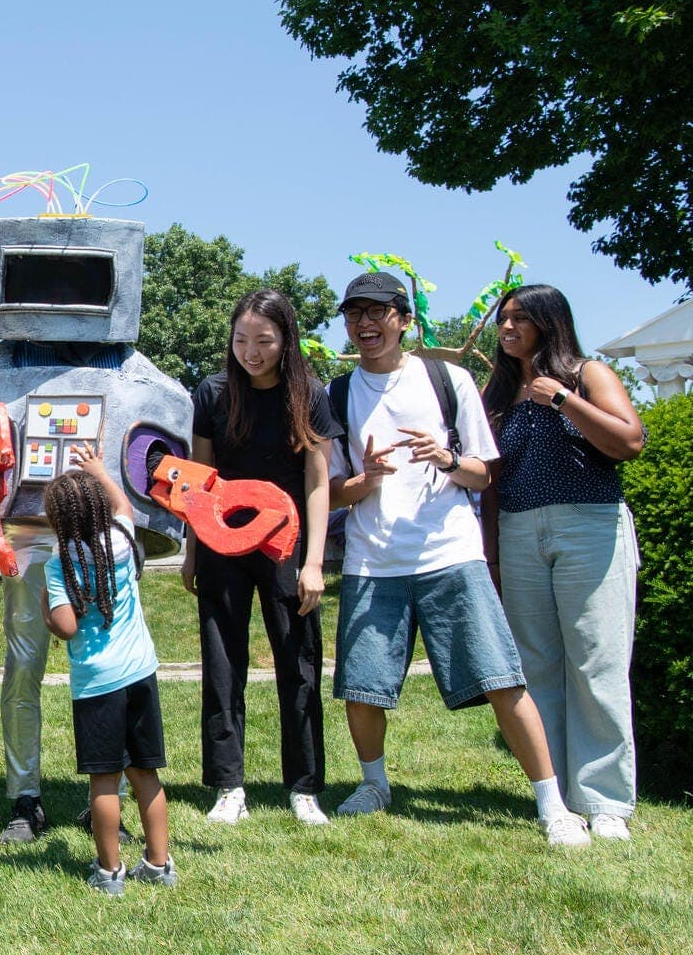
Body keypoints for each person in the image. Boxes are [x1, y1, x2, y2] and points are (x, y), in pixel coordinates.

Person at [326, 270, 589, 845]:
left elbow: (483, 471)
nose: (365, 324)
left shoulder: (449, 379)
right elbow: (332, 490)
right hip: (374, 560)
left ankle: (552, 803)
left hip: (450, 552)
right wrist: (364, 480)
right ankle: (374, 783)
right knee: (362, 685)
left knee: (501, 677)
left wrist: (445, 458)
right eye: (355, 314)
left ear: (404, 318)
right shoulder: (336, 395)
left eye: (378, 312)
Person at [481, 284, 645, 840]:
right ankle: (555, 795)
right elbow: (490, 480)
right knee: (538, 668)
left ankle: (606, 803)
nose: (507, 329)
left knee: (597, 662)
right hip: (519, 529)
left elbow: (629, 441)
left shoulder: (587, 374)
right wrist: (493, 555)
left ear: (550, 322)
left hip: (589, 523)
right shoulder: (498, 392)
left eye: (520, 319)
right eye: (503, 319)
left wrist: (561, 399)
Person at [185, 290, 339, 826]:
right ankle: (228, 787)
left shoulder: (310, 395)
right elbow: (198, 485)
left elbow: (319, 484)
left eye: (264, 341)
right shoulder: (212, 393)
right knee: (222, 664)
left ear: (285, 340)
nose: (251, 351)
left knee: (299, 663)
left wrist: (313, 561)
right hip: (221, 545)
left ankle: (303, 787)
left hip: (285, 544)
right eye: (242, 340)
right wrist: (191, 552)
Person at [42, 451, 174, 896]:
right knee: (146, 774)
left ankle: (108, 871)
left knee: (104, 781)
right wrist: (99, 469)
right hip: (140, 672)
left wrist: (47, 598)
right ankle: (158, 863)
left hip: (97, 683)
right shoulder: (120, 537)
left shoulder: (59, 563)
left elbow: (65, 627)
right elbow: (126, 509)